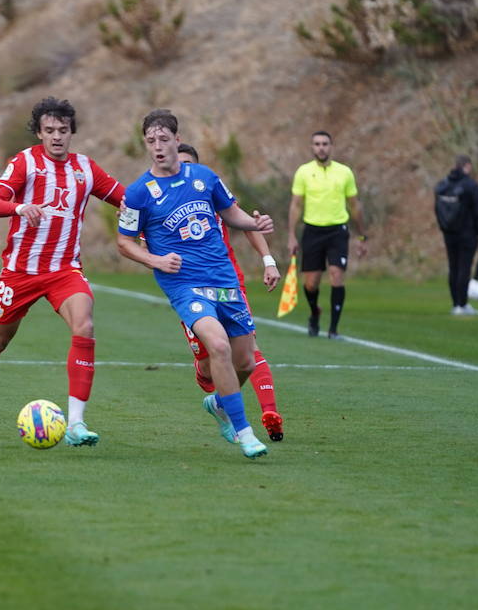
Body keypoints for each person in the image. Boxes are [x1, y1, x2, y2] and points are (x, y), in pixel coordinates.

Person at [0, 97, 124, 444]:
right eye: (50, 130)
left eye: (63, 130)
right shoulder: (25, 162)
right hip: (20, 271)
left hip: (64, 270)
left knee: (84, 324)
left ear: (72, 132)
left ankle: (75, 424)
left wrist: (143, 215)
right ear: (39, 133)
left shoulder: (86, 169)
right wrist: (20, 206)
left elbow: (125, 198)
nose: (57, 137)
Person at [117, 109, 274, 459]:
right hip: (184, 284)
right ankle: (244, 432)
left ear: (176, 139)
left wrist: (255, 223)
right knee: (217, 345)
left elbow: (230, 212)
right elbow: (124, 242)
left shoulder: (204, 177)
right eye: (150, 141)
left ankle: (220, 404)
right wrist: (155, 260)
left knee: (245, 361)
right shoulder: (139, 192)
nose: (157, 147)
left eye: (163, 139)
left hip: (224, 277)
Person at [176, 142, 284, 441]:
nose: (181, 168)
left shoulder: (209, 190)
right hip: (189, 289)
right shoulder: (162, 200)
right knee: (209, 364)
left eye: (188, 163)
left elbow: (248, 223)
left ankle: (269, 413)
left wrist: (268, 261)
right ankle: (210, 387)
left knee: (248, 351)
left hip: (228, 283)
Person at [286, 130, 366, 338]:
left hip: (337, 230)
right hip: (312, 230)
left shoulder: (344, 172)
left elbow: (355, 205)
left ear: (331, 147)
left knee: (336, 275)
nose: (321, 147)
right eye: (317, 144)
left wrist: (361, 236)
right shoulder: (303, 172)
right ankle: (315, 313)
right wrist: (291, 235)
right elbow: (295, 205)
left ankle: (333, 329)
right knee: (311, 283)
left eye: (325, 144)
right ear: (312, 147)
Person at [434, 154, 478, 315]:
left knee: (453, 267)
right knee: (464, 267)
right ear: (467, 166)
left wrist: (444, 226)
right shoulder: (470, 186)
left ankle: (455, 303)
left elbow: (437, 209)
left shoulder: (443, 185)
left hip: (449, 232)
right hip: (467, 232)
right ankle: (462, 304)